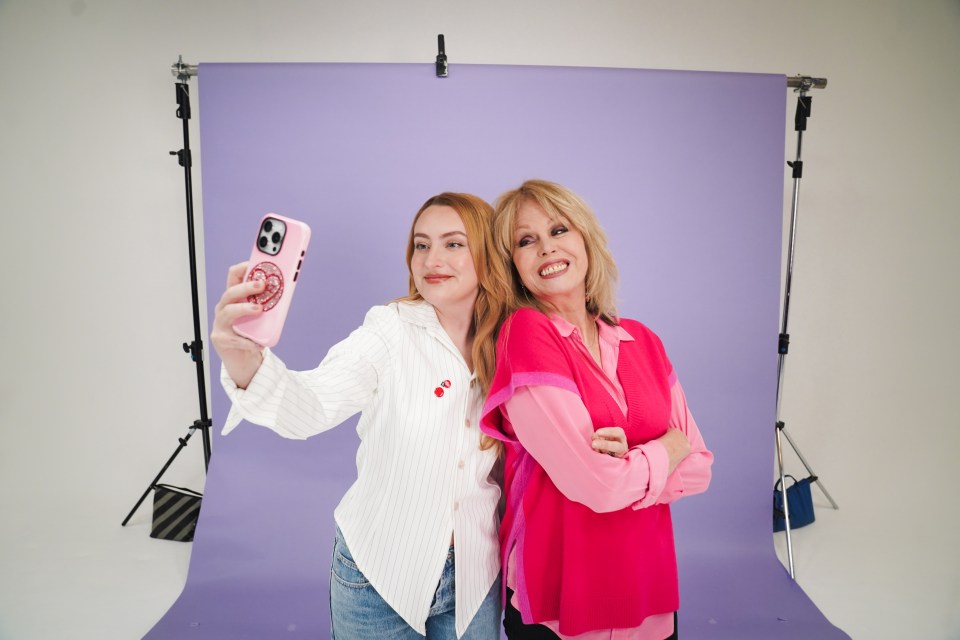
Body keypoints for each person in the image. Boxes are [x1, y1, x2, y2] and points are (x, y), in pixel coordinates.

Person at [210, 193, 513, 639]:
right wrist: (244, 359)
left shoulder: (512, 339)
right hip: (379, 575)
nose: (431, 259)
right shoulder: (388, 330)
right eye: (421, 244)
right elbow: (310, 406)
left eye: (453, 244)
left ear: (488, 255)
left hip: (474, 576)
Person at [480, 180, 714, 640]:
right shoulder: (526, 334)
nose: (546, 249)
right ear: (514, 266)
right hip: (560, 602)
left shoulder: (643, 341)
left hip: (647, 595)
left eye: (559, 230)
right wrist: (668, 445)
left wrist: (634, 460)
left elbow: (701, 468)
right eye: (526, 241)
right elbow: (598, 487)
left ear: (585, 240)